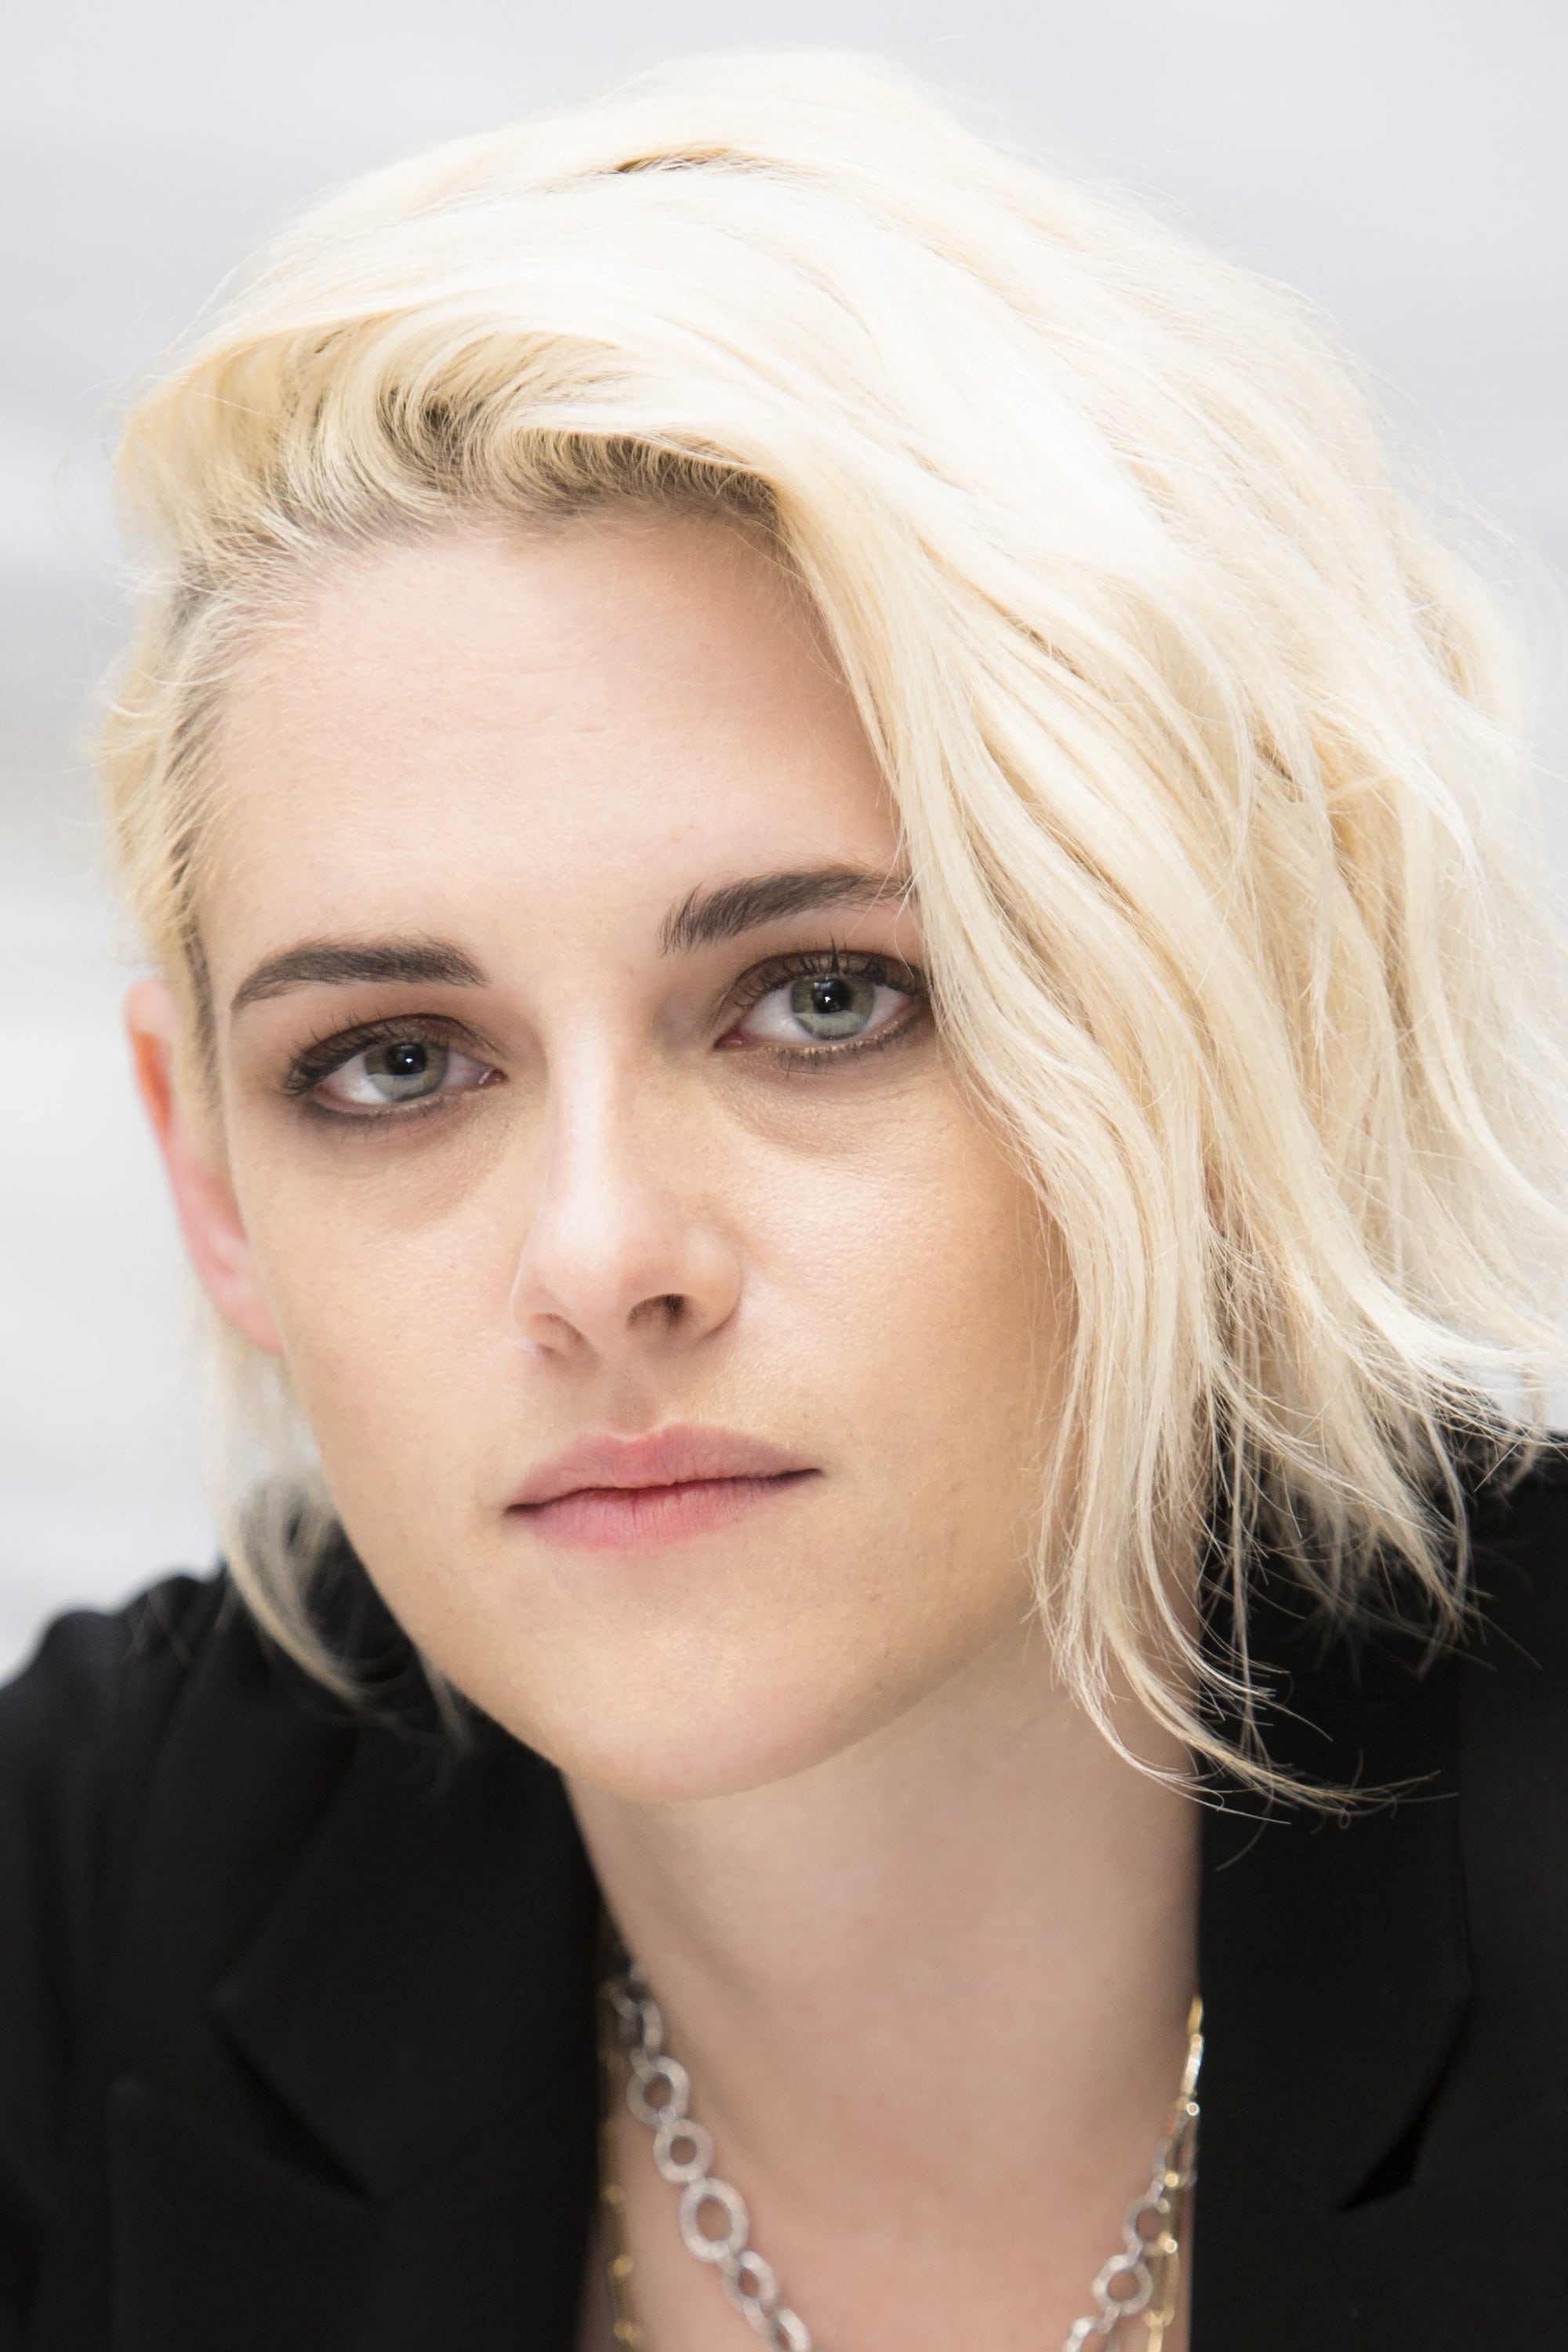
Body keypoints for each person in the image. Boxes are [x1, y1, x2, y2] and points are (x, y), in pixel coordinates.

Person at [2, 49, 1565, 2352]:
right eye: (396, 1061)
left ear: (1244, 1035)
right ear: (208, 1174)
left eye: (824, 1000)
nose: (601, 1258)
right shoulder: (77, 1911)